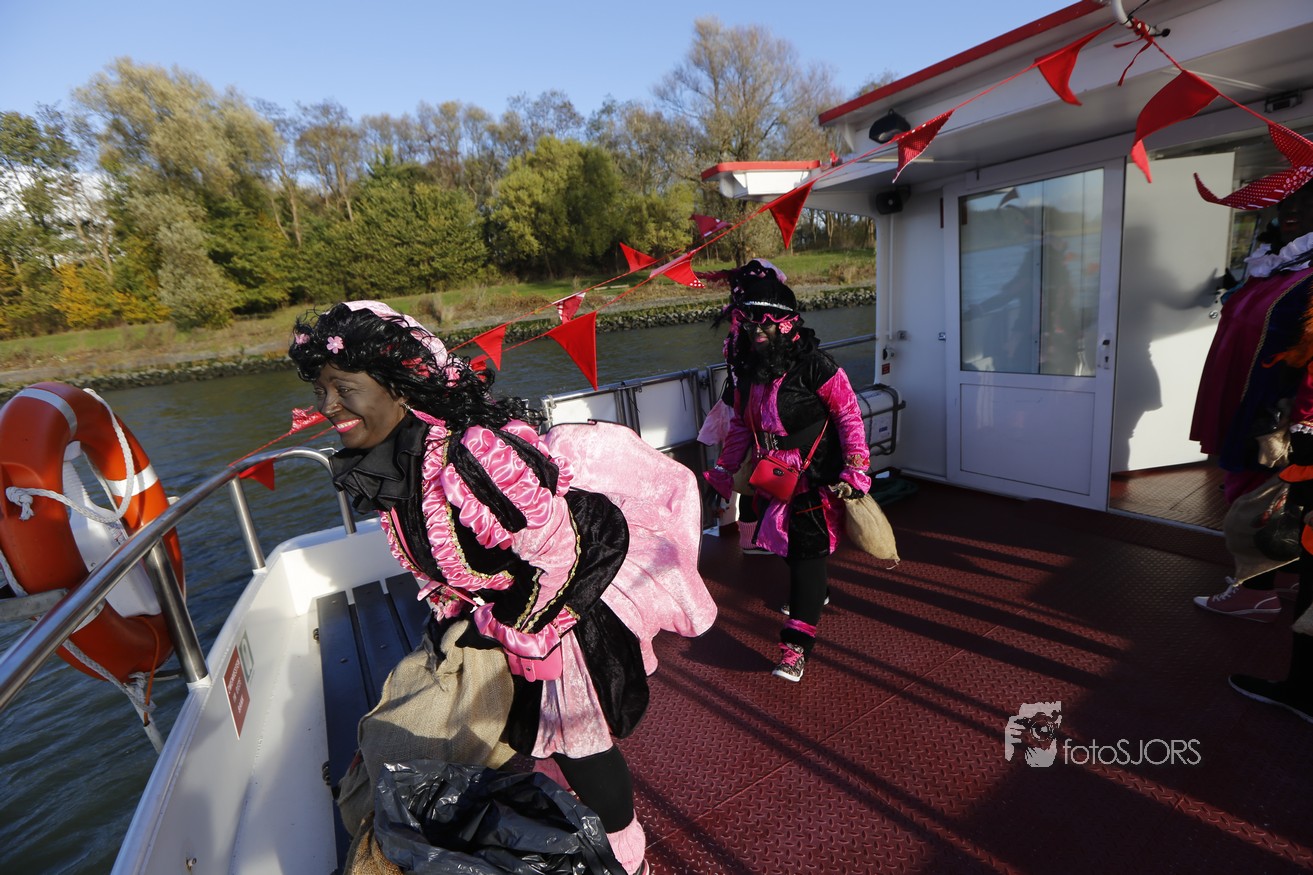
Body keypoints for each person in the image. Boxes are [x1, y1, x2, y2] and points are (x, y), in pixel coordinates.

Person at [288, 300, 717, 875]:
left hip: (555, 614)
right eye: (321, 390)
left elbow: (565, 550)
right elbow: (436, 561)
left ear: (398, 386)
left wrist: (521, 630)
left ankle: (627, 859)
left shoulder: (472, 457)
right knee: (519, 739)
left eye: (344, 388)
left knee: (580, 747)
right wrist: (457, 616)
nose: (327, 406)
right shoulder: (396, 459)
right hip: (493, 612)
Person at [702, 272, 871, 682]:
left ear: (788, 323)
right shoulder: (750, 369)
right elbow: (742, 425)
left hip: (814, 476)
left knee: (808, 559)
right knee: (791, 552)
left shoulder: (817, 366)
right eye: (749, 322)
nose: (756, 330)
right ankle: (817, 590)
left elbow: (848, 415)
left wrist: (855, 468)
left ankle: (795, 648)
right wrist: (724, 470)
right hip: (772, 476)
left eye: (765, 323)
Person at [1191, 182, 1313, 618]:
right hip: (1248, 394)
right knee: (1263, 493)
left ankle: (1253, 592)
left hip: (1282, 407)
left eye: (1306, 200)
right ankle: (1282, 575)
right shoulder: (1276, 265)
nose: (1291, 209)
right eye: (1287, 201)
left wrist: (1304, 418)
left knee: (1257, 495)